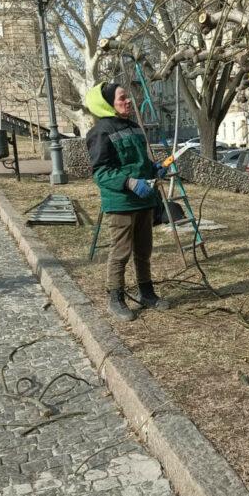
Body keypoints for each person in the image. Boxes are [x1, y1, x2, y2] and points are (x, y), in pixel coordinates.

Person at [85, 81, 170, 321]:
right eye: (122, 98)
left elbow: (139, 162)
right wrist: (130, 182)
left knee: (144, 251)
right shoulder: (100, 132)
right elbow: (101, 172)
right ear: (107, 104)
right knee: (121, 252)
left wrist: (154, 169)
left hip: (144, 200)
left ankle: (147, 293)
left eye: (127, 97)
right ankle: (115, 298)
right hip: (121, 202)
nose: (128, 101)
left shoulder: (133, 127)